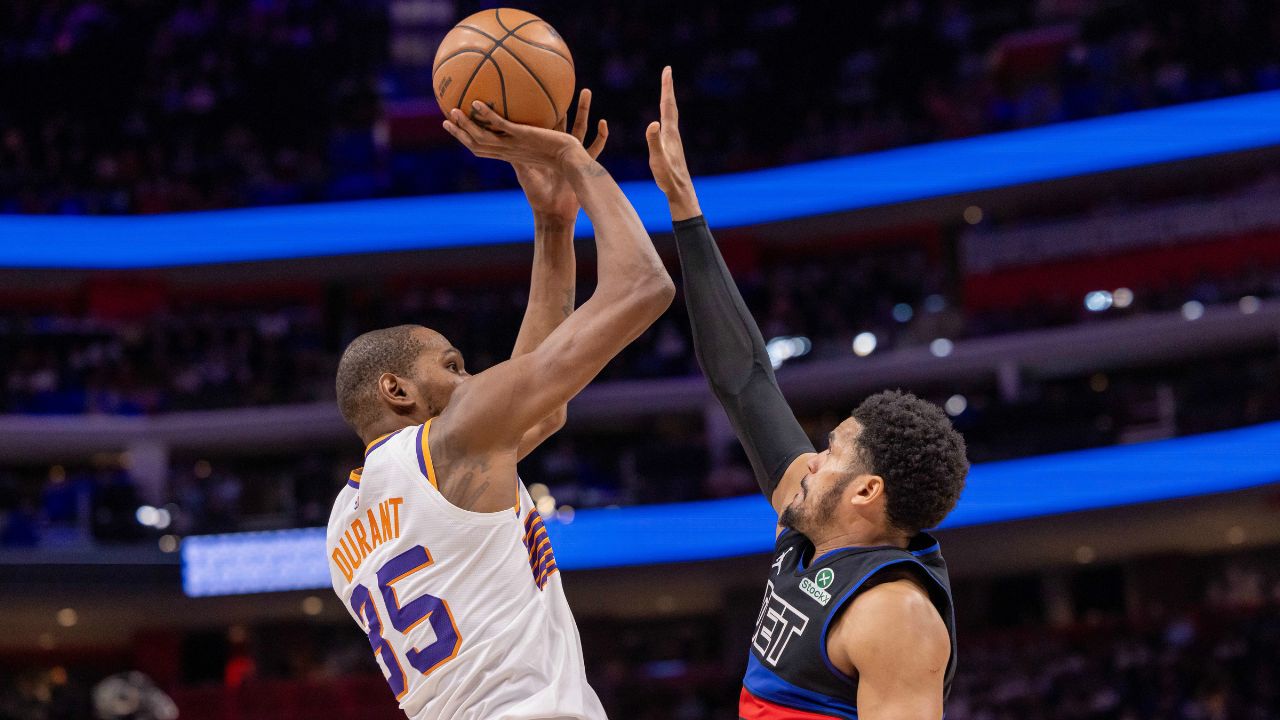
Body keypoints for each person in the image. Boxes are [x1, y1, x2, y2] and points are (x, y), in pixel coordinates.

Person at [326, 89, 674, 720]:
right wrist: (572, 158)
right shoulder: (447, 444)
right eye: (452, 367)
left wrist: (554, 226)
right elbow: (643, 286)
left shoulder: (344, 522)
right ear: (397, 390)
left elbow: (543, 408)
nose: (471, 379)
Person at [646, 67, 968, 720]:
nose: (810, 459)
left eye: (832, 452)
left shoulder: (895, 614)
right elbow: (744, 381)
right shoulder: (813, 530)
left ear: (866, 491)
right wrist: (685, 210)